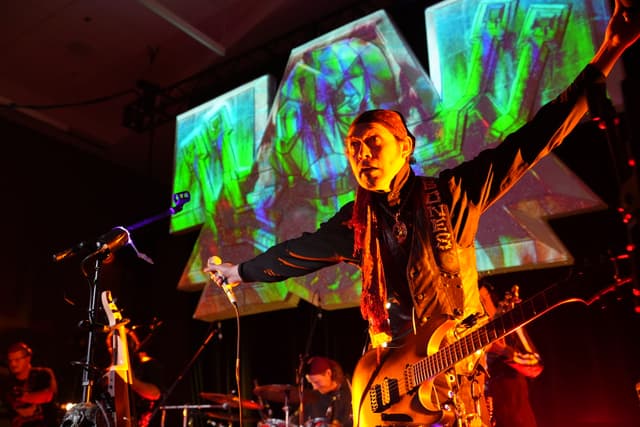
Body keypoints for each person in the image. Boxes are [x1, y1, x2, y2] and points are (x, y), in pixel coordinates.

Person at [205, 3, 640, 426]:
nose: (361, 155)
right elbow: (296, 253)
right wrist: (240, 272)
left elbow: (533, 141)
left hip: (455, 383)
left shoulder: (452, 195)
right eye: (353, 148)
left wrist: (606, 56)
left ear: (405, 146)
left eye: (372, 141)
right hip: (388, 380)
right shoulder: (355, 221)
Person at [479, 283, 543, 427]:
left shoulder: (508, 326)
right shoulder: (469, 339)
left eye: (483, 299)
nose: (479, 305)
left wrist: (502, 351)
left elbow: (535, 364)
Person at [102, 328, 164, 427]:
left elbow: (155, 393)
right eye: (111, 346)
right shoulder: (108, 372)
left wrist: (133, 382)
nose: (113, 350)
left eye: (117, 346)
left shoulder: (147, 364)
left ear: (131, 345)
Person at [0, 342, 58, 427]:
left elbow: (48, 395)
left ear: (28, 358)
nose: (13, 364)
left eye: (17, 360)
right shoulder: (7, 383)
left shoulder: (42, 374)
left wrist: (23, 397)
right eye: (10, 361)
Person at [298, 356, 352, 427]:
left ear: (328, 373)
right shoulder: (316, 397)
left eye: (317, 382)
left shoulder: (351, 391)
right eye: (311, 383)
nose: (314, 387)